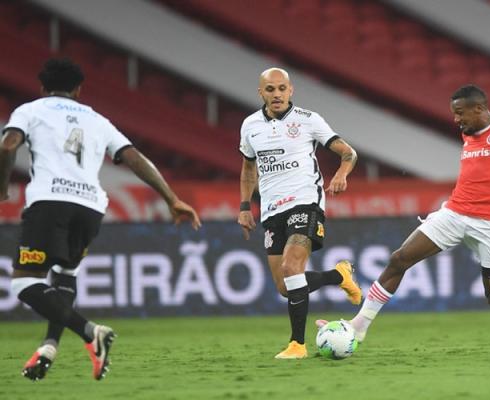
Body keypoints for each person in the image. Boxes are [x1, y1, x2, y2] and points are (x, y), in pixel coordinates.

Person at [318, 84, 490, 354]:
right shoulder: (469, 134)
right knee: (399, 259)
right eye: (454, 114)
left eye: (460, 113)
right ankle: (359, 325)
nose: (456, 119)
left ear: (479, 109)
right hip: (454, 213)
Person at [0, 58, 201, 381]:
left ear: (42, 87)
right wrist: (171, 198)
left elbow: (8, 145)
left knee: (26, 281)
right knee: (66, 275)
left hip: (50, 202)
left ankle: (90, 332)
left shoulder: (30, 110)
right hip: (91, 206)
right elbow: (135, 158)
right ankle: (49, 346)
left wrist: (1, 188)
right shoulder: (97, 119)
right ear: (79, 90)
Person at [237, 67, 361, 359]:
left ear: (291, 90)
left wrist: (342, 174)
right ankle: (338, 275)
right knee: (285, 286)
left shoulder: (308, 120)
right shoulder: (250, 125)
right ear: (261, 93)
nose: (277, 94)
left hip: (306, 202)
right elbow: (247, 169)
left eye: (282, 88)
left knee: (292, 269)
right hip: (271, 209)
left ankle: (297, 345)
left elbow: (349, 153)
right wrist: (245, 206)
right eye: (270, 89)